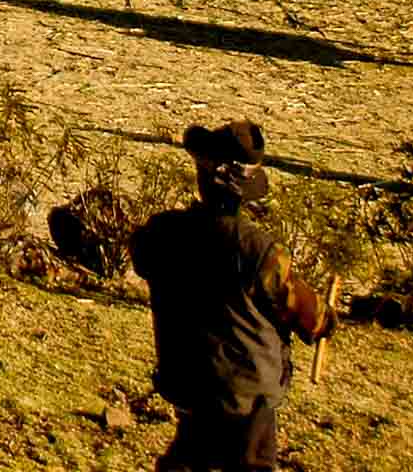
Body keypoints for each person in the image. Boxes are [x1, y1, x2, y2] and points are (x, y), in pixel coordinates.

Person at [130, 121, 337, 472]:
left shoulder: (161, 233)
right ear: (246, 191)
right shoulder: (259, 250)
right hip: (247, 402)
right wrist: (326, 319)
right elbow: (308, 316)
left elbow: (142, 257)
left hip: (190, 389)